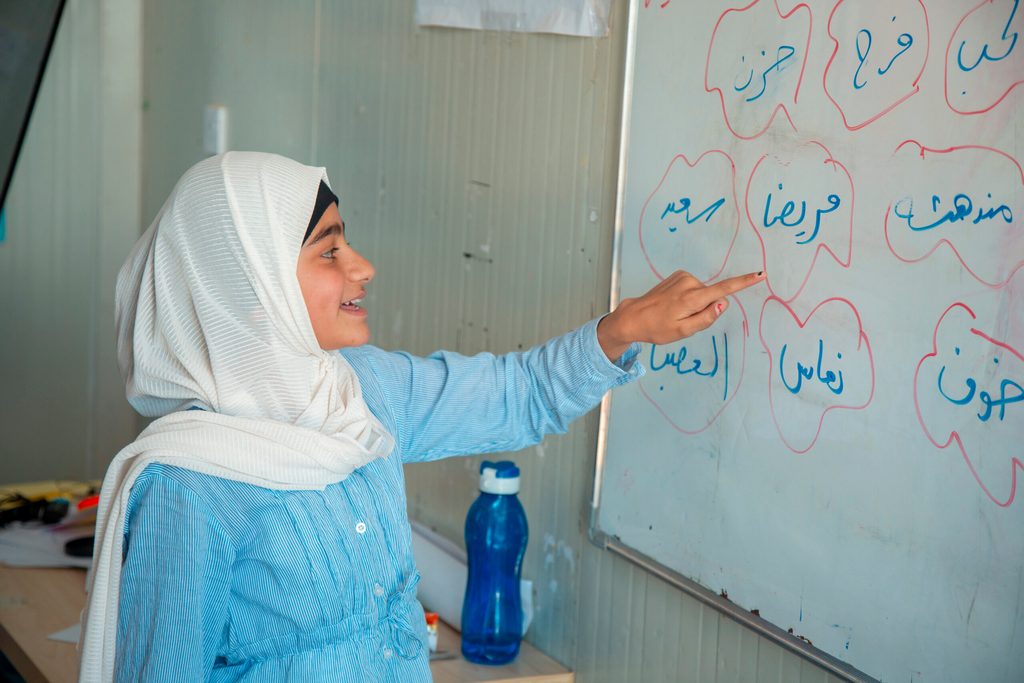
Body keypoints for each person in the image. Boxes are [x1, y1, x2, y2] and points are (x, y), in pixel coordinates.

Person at [78, 152, 764, 682]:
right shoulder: (188, 487)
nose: (364, 266)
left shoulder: (360, 390)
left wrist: (620, 330)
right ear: (250, 289)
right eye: (330, 249)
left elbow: (515, 395)